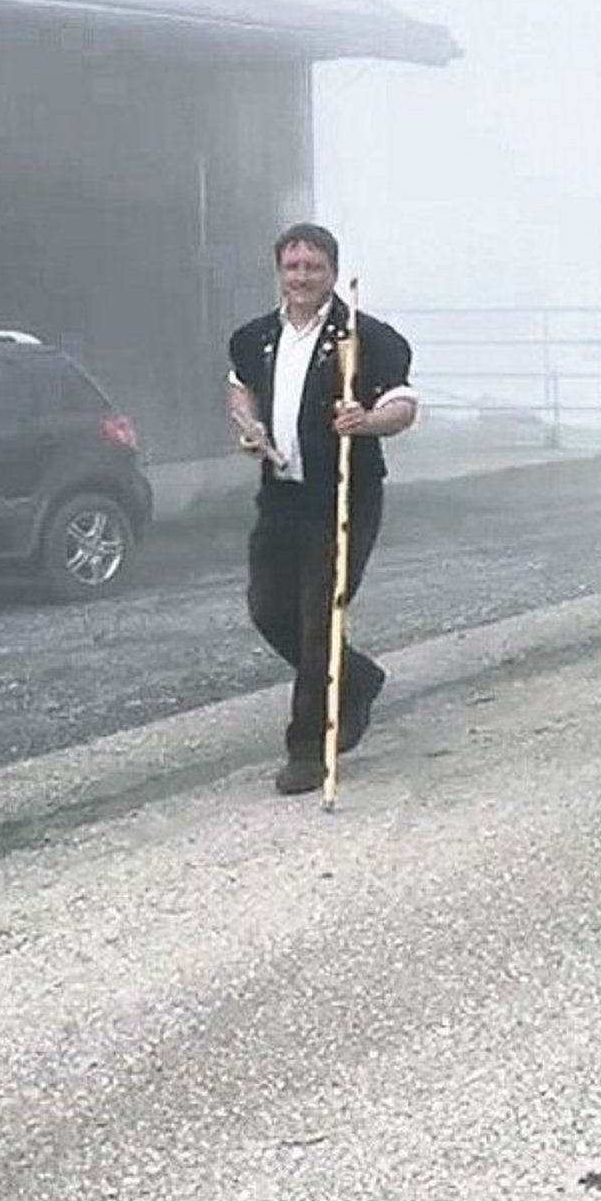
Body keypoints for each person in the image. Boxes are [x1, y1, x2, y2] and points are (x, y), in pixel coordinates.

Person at [228, 224, 418, 795]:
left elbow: (403, 405)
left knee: (319, 618)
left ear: (332, 271)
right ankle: (355, 678)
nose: (302, 277)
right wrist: (248, 424)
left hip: (343, 496)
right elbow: (240, 388)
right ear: (280, 272)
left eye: (313, 266)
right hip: (281, 494)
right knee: (268, 608)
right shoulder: (254, 337)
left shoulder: (365, 337)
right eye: (293, 266)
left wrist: (367, 421)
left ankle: (309, 748)